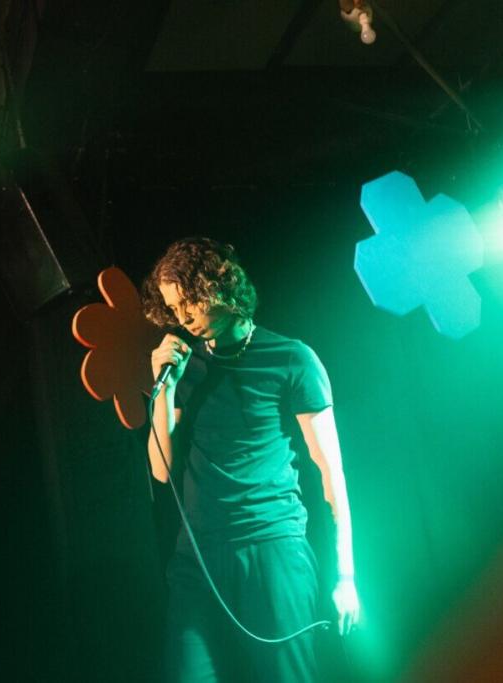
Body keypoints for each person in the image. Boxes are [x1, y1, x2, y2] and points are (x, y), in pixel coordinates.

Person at [142, 237, 360, 682]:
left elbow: (331, 473)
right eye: (173, 308)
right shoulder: (185, 368)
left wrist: (346, 577)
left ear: (218, 286)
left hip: (272, 547)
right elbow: (160, 470)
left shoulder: (291, 359)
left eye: (189, 302)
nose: (182, 318)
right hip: (197, 557)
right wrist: (163, 389)